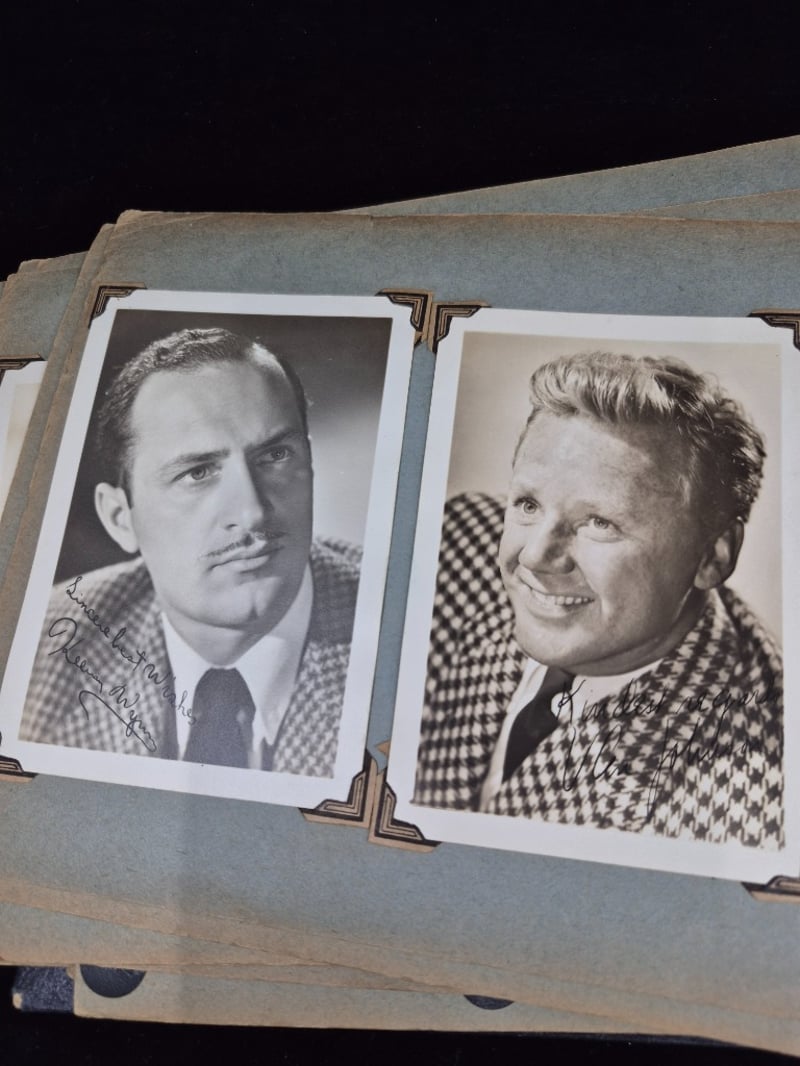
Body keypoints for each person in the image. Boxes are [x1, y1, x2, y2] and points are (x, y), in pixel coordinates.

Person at [415, 351, 783, 847]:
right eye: (529, 504)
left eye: (600, 523)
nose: (535, 557)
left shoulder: (736, 812)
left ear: (712, 557)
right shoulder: (455, 546)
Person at [20, 327, 361, 776]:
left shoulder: (409, 630)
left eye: (276, 455)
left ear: (310, 464)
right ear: (120, 518)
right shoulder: (40, 649)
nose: (253, 512)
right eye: (198, 473)